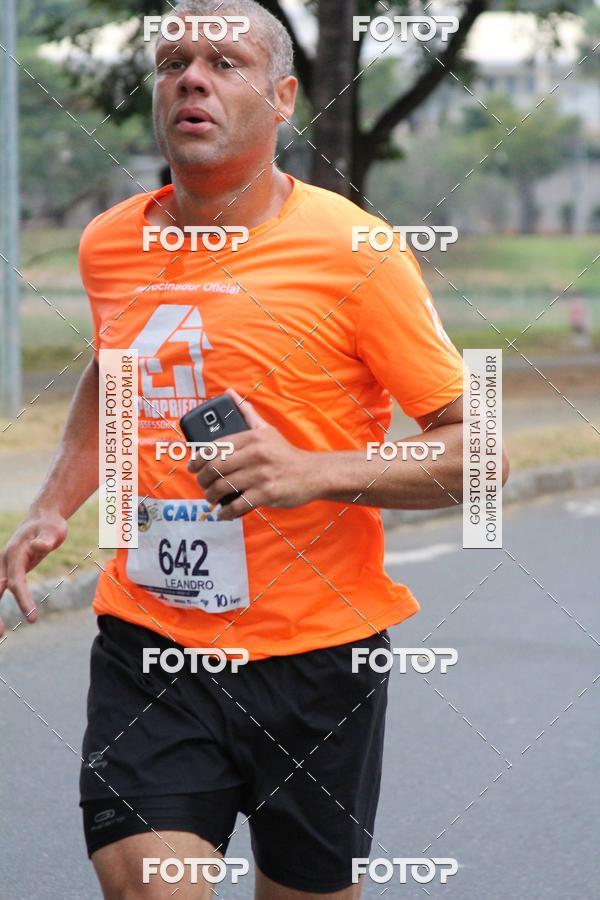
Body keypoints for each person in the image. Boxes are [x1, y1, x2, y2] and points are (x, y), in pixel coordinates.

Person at [0, 1, 508, 897]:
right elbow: (112, 369)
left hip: (319, 658)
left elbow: (483, 452)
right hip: (152, 645)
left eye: (224, 63)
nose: (191, 77)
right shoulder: (109, 244)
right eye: (172, 62)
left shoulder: (359, 250)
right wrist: (54, 504)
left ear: (282, 101)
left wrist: (310, 472)